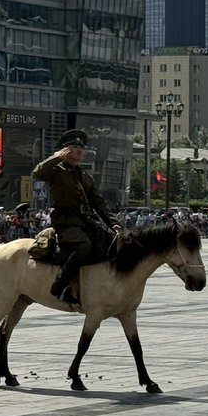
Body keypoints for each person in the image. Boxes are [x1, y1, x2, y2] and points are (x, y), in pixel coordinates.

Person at [32, 128, 120, 306]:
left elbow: (99, 203)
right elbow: (37, 173)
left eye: (82, 147)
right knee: (83, 246)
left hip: (86, 223)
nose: (80, 150)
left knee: (112, 244)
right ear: (65, 150)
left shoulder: (85, 175)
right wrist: (57, 157)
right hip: (65, 223)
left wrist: (114, 224)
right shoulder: (56, 169)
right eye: (74, 147)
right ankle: (60, 287)